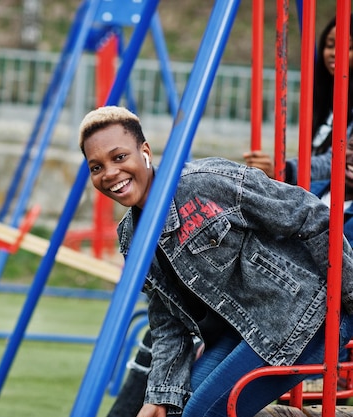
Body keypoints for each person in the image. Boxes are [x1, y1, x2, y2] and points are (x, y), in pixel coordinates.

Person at [79, 105, 353, 417]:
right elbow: (168, 322)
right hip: (238, 333)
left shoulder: (205, 183)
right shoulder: (131, 236)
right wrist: (158, 395)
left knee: (203, 414)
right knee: (176, 410)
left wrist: (349, 298)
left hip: (300, 319)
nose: (111, 173)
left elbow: (309, 214)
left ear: (145, 152)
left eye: (119, 157)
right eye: (96, 167)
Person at [243, 14, 353, 184]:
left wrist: (282, 169)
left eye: (348, 48)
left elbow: (339, 161)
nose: (334, 53)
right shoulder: (325, 98)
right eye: (330, 45)